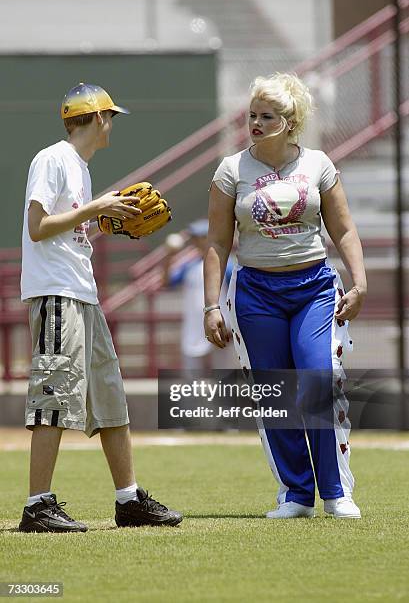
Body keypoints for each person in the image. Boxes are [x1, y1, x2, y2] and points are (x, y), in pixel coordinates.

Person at [19, 83, 182, 532]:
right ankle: (37, 505)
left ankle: (128, 499)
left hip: (82, 294)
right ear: (96, 119)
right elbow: (37, 227)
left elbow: (65, 233)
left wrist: (101, 223)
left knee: (110, 397)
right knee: (53, 397)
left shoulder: (80, 167)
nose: (111, 125)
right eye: (110, 117)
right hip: (57, 295)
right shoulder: (52, 159)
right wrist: (96, 208)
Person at [204, 73, 367, 519]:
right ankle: (296, 494)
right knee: (275, 393)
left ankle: (336, 492)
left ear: (289, 121)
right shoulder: (230, 170)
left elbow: (344, 228)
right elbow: (217, 243)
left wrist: (359, 280)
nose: (255, 122)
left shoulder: (318, 164)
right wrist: (211, 305)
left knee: (317, 381)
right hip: (256, 292)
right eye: (252, 115)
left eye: (266, 116)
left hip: (314, 288)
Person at [162, 219, 236, 374]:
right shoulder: (189, 266)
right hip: (194, 328)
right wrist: (168, 257)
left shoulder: (227, 265)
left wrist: (232, 324)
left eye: (199, 237)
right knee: (192, 379)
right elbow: (167, 282)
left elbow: (236, 295)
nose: (194, 241)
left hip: (221, 326)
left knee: (224, 376)